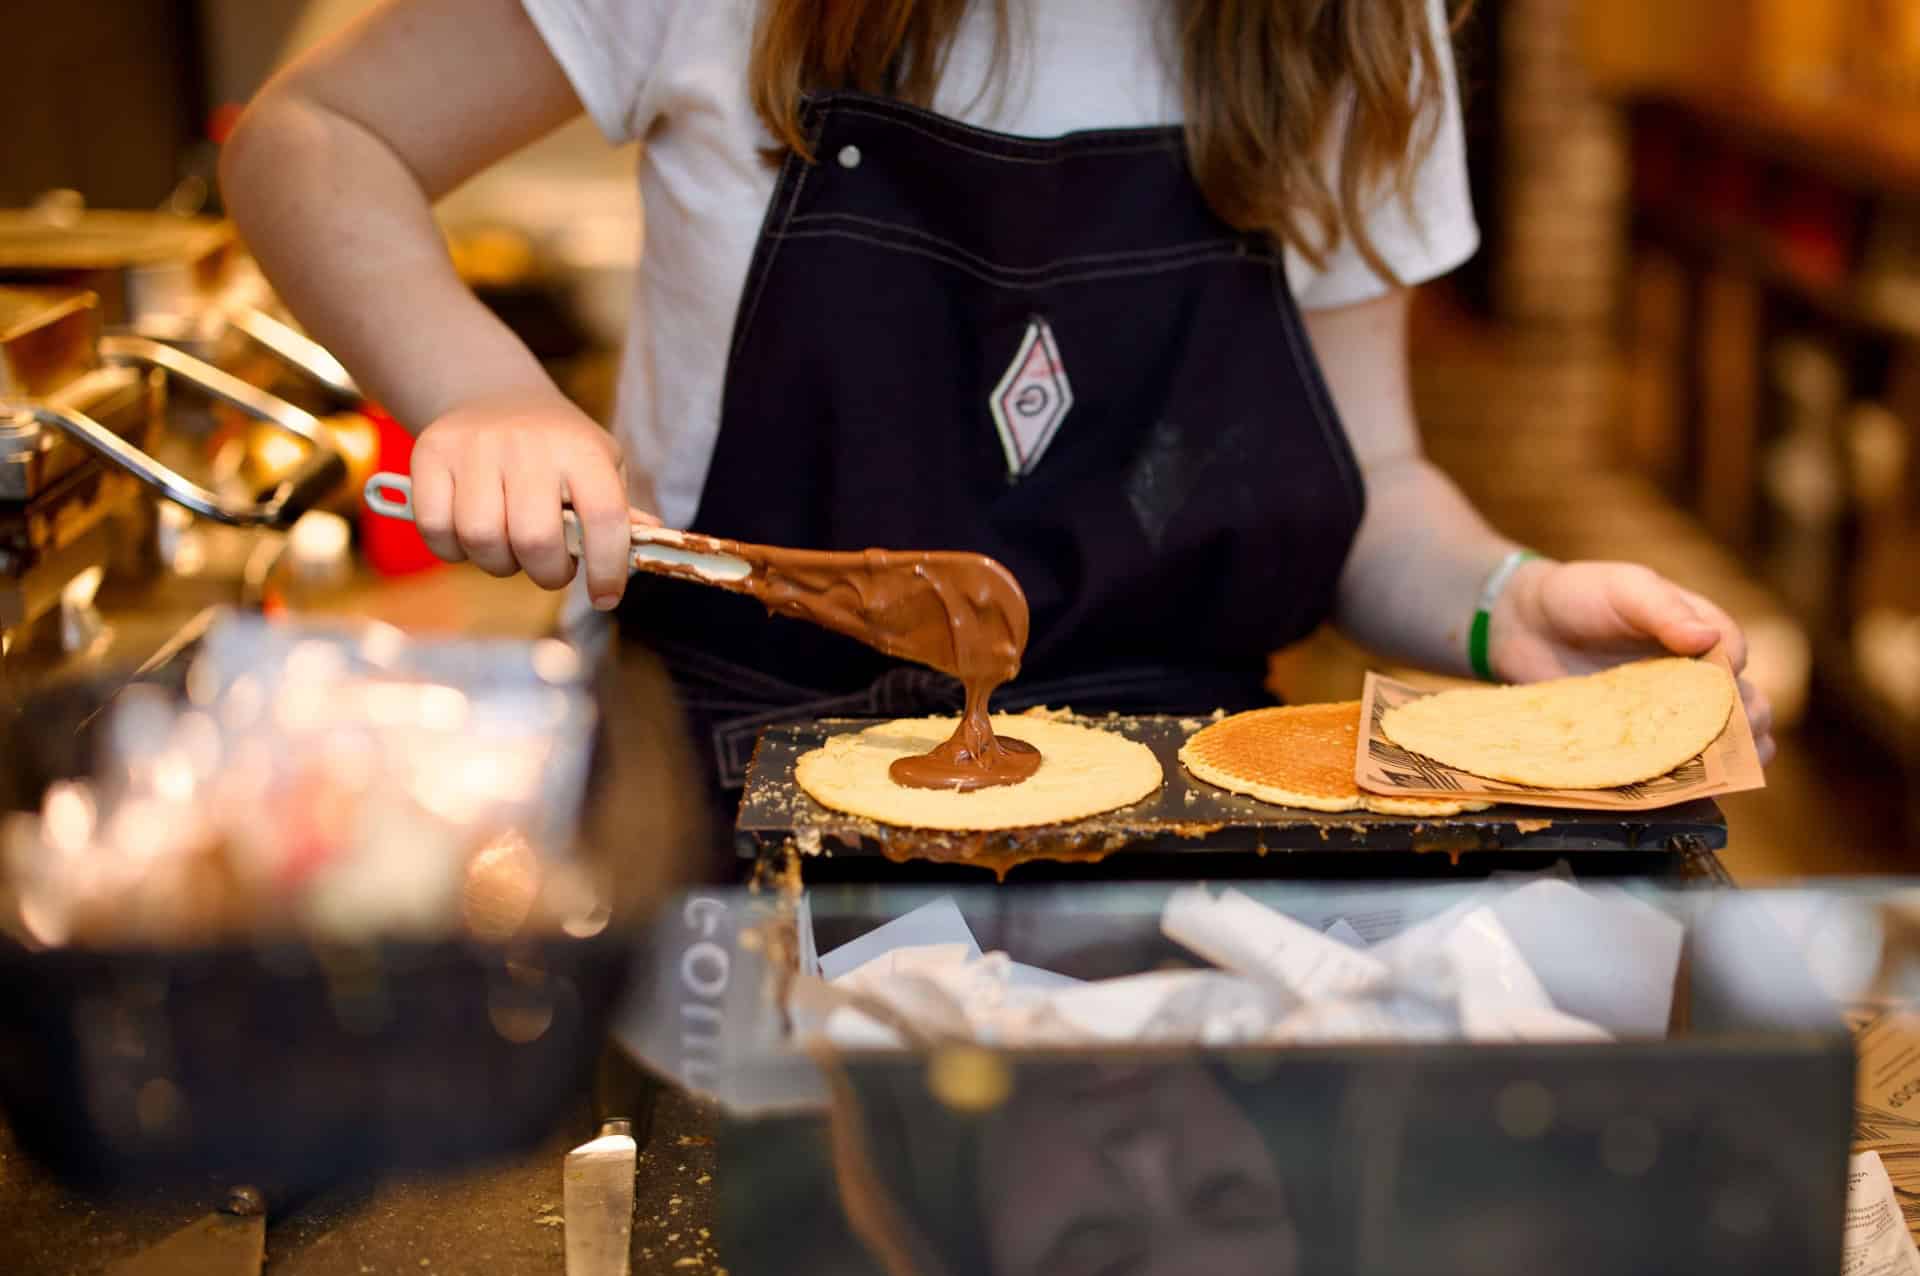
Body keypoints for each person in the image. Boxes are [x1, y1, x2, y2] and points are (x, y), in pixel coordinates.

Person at [220, 0, 1775, 812]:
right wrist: (483, 389)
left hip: (1187, 853)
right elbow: (313, 135)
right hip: (735, 817)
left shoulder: (1347, 26)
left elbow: (1367, 483)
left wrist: (1512, 608)